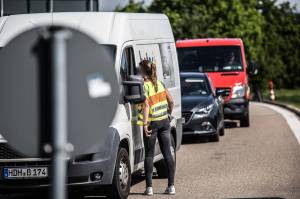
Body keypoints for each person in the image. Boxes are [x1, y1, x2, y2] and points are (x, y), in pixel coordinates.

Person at [138, 59, 176, 196]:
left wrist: (144, 124)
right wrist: (168, 114)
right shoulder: (160, 84)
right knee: (167, 153)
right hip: (164, 122)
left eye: (139, 70)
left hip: (152, 123)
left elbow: (146, 106)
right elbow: (171, 102)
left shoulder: (144, 86)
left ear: (143, 72)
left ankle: (149, 188)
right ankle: (171, 186)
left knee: (149, 154)